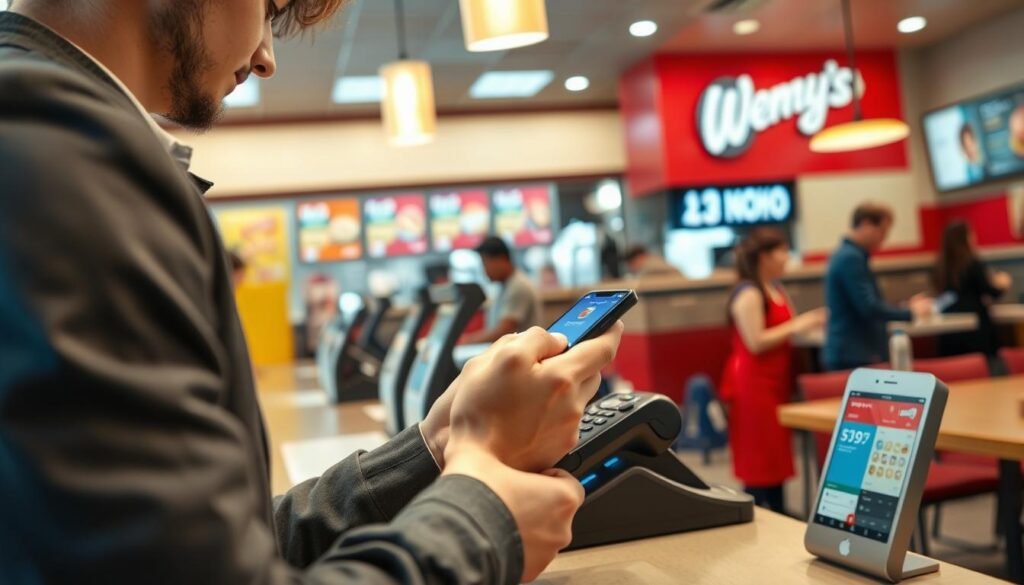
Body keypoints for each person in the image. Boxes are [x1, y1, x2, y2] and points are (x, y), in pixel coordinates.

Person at [0, 3, 625, 584]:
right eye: (269, 8)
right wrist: (482, 522)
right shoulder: (65, 157)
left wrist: (430, 452)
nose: (267, 56)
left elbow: (216, 548)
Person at [720, 228, 826, 513]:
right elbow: (755, 342)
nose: (786, 257)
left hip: (775, 381)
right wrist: (799, 324)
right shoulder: (749, 293)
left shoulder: (775, 288)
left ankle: (777, 512)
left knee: (776, 455)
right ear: (764, 256)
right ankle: (758, 514)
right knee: (759, 458)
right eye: (782, 251)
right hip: (752, 384)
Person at [823, 203, 933, 371]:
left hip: (851, 351)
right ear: (866, 224)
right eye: (882, 231)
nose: (884, 238)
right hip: (853, 353)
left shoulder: (849, 255)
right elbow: (868, 307)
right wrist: (910, 312)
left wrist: (905, 306)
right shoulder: (851, 258)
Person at [934, 220, 1013, 358]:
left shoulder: (940, 265)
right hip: (976, 328)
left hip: (949, 329)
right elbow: (989, 291)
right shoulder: (972, 263)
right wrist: (1002, 284)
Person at [461, 236, 543, 344]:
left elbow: (503, 331)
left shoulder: (518, 286)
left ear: (502, 258)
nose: (484, 270)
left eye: (485, 263)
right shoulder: (505, 286)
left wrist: (466, 340)